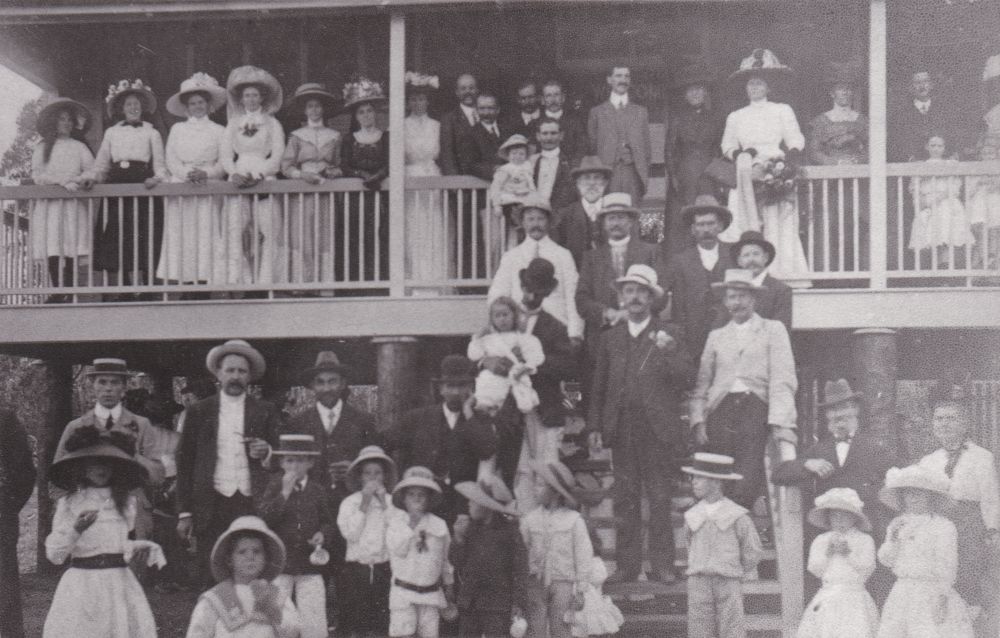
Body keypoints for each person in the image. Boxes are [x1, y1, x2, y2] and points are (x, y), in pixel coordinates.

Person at [588, 263, 692, 583]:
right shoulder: (611, 338)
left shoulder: (669, 333)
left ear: (651, 298)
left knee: (660, 497)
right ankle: (628, 565)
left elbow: (685, 378)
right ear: (621, 297)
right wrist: (595, 425)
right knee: (625, 498)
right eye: (629, 291)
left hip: (657, 429)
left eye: (641, 292)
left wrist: (672, 353)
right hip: (622, 428)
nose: (634, 298)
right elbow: (599, 384)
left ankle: (663, 565)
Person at [772, 379, 902, 602]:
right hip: (827, 532)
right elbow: (779, 473)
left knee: (869, 593)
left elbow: (900, 476)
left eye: (843, 410)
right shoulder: (819, 449)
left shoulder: (873, 447)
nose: (838, 417)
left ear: (856, 410)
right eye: (832, 412)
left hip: (864, 531)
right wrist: (807, 464)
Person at [175, 339, 282, 586]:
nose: (235, 376)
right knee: (211, 568)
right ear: (218, 374)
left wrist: (266, 452)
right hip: (211, 503)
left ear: (250, 376)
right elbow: (185, 462)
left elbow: (281, 458)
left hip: (253, 501)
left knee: (254, 568)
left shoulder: (265, 410)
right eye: (230, 370)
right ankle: (214, 623)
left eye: (241, 371)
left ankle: (254, 622)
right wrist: (184, 512)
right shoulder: (199, 411)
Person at [690, 269, 797, 510]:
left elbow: (783, 377)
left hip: (755, 407)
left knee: (747, 477)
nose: (736, 302)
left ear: (753, 299)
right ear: (725, 301)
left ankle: (740, 530)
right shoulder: (716, 336)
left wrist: (781, 421)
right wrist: (698, 420)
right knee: (719, 474)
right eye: (731, 297)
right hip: (721, 410)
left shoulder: (773, 329)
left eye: (742, 296)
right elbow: (702, 384)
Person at [44, 426, 163, 638]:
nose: (102, 468)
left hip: (118, 584)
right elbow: (54, 555)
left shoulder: (126, 503)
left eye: (108, 462)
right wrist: (75, 530)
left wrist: (135, 549)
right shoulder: (69, 503)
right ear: (81, 466)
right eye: (95, 462)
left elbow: (116, 545)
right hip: (83, 585)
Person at [721, 50, 808, 285]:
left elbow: (795, 139)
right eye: (751, 84)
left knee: (777, 222)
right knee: (747, 223)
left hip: (774, 168)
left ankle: (783, 275)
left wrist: (787, 161)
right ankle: (748, 276)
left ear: (768, 88)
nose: (755, 88)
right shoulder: (736, 116)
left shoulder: (782, 110)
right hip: (746, 170)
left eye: (760, 84)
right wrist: (740, 155)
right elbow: (727, 145)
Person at [917, 384, 1000, 615]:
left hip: (969, 523)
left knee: (968, 573)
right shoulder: (928, 461)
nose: (944, 424)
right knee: (940, 572)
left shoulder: (982, 457)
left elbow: (990, 497)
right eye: (938, 419)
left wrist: (992, 529)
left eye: (951, 418)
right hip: (938, 522)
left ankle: (969, 619)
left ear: (964, 424)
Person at [387, 354, 497, 524]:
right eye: (450, 386)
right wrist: (405, 477)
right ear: (440, 389)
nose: (456, 392)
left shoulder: (480, 420)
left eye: (462, 386)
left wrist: (468, 413)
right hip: (425, 506)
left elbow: (486, 451)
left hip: (464, 510)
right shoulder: (417, 418)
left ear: (472, 387)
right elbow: (384, 444)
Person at [82, 78, 166, 294]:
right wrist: (93, 177)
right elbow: (101, 164)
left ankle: (148, 286)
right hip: (118, 183)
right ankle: (124, 286)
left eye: (137, 103)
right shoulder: (112, 133)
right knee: (119, 235)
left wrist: (156, 179)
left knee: (145, 234)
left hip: (143, 184)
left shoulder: (152, 132)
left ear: (143, 107)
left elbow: (160, 166)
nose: (133, 107)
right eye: (129, 104)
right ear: (121, 108)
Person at [876, 465, 974, 638]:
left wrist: (942, 597)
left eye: (919, 492)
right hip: (902, 591)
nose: (913, 497)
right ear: (902, 496)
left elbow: (948, 565)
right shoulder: (897, 524)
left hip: (930, 592)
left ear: (931, 496)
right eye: (908, 492)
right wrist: (893, 539)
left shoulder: (943, 526)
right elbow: (886, 560)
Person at [257, 434, 334, 638]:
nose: (294, 466)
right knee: (276, 612)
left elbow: (327, 521)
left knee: (314, 614)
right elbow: (265, 518)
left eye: (300, 460)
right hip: (281, 561)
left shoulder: (317, 490)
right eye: (290, 460)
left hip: (309, 561)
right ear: (281, 462)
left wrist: (322, 534)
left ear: (310, 462)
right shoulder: (275, 486)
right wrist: (284, 492)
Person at [157, 73, 228, 292]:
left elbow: (223, 163)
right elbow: (171, 158)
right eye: (192, 103)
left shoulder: (219, 131)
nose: (197, 106)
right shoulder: (178, 130)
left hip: (207, 187)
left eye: (201, 102)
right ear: (186, 107)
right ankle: (185, 284)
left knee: (205, 235)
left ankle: (204, 284)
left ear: (208, 105)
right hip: (181, 186)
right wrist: (187, 173)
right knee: (183, 236)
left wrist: (206, 173)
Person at [681, 453, 763, 638]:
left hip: (728, 581)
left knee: (731, 628)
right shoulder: (693, 515)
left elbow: (752, 550)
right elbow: (690, 546)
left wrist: (733, 569)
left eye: (700, 477)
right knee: (699, 629)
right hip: (698, 582)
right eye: (693, 477)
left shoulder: (736, 516)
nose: (694, 481)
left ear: (717, 482)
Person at [218, 66, 286, 287]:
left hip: (264, 176)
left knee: (270, 229)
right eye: (247, 95)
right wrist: (234, 173)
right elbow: (226, 155)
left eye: (255, 95)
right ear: (241, 99)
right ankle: (239, 281)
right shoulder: (233, 123)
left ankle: (267, 281)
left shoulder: (272, 123)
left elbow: (277, 156)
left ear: (262, 97)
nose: (251, 99)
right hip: (239, 176)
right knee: (234, 228)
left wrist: (260, 174)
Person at [54, 357, 165, 487]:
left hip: (130, 503)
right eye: (102, 382)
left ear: (124, 387)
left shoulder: (141, 425)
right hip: (88, 503)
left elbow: (158, 477)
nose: (108, 388)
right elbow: (56, 477)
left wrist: (132, 455)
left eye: (115, 382)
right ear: (92, 386)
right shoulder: (76, 426)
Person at [286, 350, 381, 500]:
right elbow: (289, 465)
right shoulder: (297, 423)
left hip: (352, 500)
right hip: (311, 502)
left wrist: (354, 469)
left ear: (342, 383)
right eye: (320, 382)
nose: (326, 388)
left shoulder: (363, 420)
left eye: (332, 381)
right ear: (312, 385)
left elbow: (374, 464)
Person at [185, 515, 301, 638]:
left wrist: (273, 610)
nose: (250, 557)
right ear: (229, 560)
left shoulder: (277, 595)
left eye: (257, 551)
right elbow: (197, 633)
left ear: (266, 559)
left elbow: (292, 632)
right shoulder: (215, 598)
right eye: (242, 552)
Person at [488, 194, 584, 341]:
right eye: (530, 219)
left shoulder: (562, 255)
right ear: (523, 223)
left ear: (549, 222)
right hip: (521, 328)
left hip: (556, 326)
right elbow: (498, 293)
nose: (536, 224)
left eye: (541, 219)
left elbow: (572, 295)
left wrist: (575, 332)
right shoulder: (511, 256)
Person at [575, 193, 659, 360]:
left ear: (631, 221)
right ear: (604, 224)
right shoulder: (591, 257)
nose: (616, 223)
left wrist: (635, 313)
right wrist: (609, 313)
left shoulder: (650, 252)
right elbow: (581, 299)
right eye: (611, 218)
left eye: (621, 218)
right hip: (603, 336)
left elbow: (660, 294)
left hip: (642, 332)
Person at [29, 98, 94, 302]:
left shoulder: (79, 147)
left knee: (71, 246)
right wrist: (61, 181)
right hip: (51, 206)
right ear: (53, 123)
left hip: (72, 204)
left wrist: (78, 179)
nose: (66, 123)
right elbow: (38, 175)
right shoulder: (43, 148)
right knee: (53, 247)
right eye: (61, 119)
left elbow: (92, 171)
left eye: (68, 119)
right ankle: (57, 291)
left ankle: (69, 289)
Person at [520, 460, 594, 638]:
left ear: (554, 492)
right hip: (535, 582)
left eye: (539, 485)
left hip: (563, 583)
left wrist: (581, 589)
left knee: (561, 628)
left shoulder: (574, 520)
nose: (535, 489)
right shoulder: (530, 520)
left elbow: (583, 555)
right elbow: (522, 551)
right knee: (535, 629)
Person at [280, 82, 342, 287]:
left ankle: (323, 286)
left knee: (324, 235)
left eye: (317, 106)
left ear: (323, 109)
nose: (314, 110)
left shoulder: (334, 136)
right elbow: (285, 167)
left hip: (325, 191)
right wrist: (302, 175)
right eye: (310, 106)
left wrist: (333, 171)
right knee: (302, 236)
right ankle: (301, 285)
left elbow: (340, 165)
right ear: (304, 110)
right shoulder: (297, 136)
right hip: (303, 192)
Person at [796, 488, 879, 638]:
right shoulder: (822, 540)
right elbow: (815, 569)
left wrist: (848, 554)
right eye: (835, 515)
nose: (839, 520)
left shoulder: (864, 540)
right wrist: (828, 553)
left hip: (855, 597)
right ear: (828, 518)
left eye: (845, 515)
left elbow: (868, 567)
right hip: (828, 595)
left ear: (854, 517)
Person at [660, 195, 735, 360]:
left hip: (729, 334)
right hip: (691, 339)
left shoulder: (733, 255)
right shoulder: (679, 260)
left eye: (711, 223)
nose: (706, 229)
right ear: (693, 229)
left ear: (720, 226)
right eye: (701, 224)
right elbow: (661, 293)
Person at [337, 445, 400, 638]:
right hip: (358, 567)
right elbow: (351, 534)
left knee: (381, 621)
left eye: (378, 473)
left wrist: (383, 503)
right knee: (356, 620)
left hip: (384, 566)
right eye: (367, 473)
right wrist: (364, 504)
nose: (372, 478)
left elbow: (397, 532)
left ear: (385, 476)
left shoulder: (392, 501)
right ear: (359, 477)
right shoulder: (350, 502)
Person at [386, 466, 456, 638]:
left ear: (429, 499)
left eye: (421, 495)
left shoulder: (439, 525)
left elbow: (446, 559)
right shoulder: (396, 524)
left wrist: (449, 585)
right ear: (403, 499)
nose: (416, 499)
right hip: (404, 594)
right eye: (411, 494)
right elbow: (398, 551)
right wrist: (412, 525)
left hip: (431, 595)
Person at [452, 480, 526, 638]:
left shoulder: (510, 532)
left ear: (486, 506)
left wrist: (518, 602)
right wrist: (458, 538)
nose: (469, 504)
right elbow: (457, 562)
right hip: (470, 602)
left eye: (474, 500)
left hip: (497, 605)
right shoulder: (470, 529)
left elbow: (520, 568)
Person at [664, 62, 722, 254]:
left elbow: (719, 148)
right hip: (685, 174)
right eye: (691, 91)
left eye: (699, 89)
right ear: (685, 95)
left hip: (709, 173)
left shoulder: (715, 118)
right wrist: (673, 175)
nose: (695, 94)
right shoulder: (677, 119)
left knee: (709, 213)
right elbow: (670, 150)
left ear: (705, 92)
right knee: (683, 218)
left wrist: (716, 172)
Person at [341, 77, 390, 284]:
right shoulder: (349, 139)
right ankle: (358, 283)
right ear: (356, 116)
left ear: (375, 113)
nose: (366, 115)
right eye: (361, 112)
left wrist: (377, 176)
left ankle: (381, 282)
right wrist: (362, 176)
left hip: (381, 192)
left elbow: (391, 162)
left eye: (369, 111)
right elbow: (345, 165)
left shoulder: (386, 136)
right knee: (358, 235)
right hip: (357, 195)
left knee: (382, 235)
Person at [403, 71, 447, 295]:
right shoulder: (401, 126)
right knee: (414, 230)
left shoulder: (437, 126)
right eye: (413, 98)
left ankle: (434, 284)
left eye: (421, 98)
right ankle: (415, 284)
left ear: (428, 101)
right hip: (410, 179)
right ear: (408, 101)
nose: (418, 103)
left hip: (432, 177)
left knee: (433, 230)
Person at [468, 295, 546, 414]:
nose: (502, 319)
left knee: (512, 412)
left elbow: (535, 356)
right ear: (492, 319)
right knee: (488, 406)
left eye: (505, 315)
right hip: (492, 381)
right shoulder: (488, 339)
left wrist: (527, 367)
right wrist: (477, 338)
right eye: (497, 316)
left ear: (514, 315)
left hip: (514, 378)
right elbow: (474, 354)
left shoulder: (522, 337)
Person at [587, 66, 651, 206]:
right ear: (609, 80)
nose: (623, 80)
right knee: (609, 216)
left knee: (632, 218)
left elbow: (646, 149)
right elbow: (592, 147)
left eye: (627, 76)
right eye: (618, 76)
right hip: (608, 174)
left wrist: (641, 172)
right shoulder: (597, 113)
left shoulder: (641, 112)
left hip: (633, 173)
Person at [908, 133, 973, 268]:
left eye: (940, 146)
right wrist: (923, 201)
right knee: (930, 233)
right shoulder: (921, 165)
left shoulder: (950, 164)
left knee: (946, 231)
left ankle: (945, 265)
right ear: (927, 147)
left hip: (946, 200)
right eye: (933, 145)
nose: (936, 149)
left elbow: (955, 186)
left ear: (944, 148)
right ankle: (935, 268)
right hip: (928, 202)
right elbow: (915, 187)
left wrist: (940, 197)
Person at [0, 410, 35, 638]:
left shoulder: (5, 420)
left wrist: (6, 505)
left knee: (4, 583)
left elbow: (24, 471)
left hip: (1, 516)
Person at [888, 68, 962, 163]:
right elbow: (895, 143)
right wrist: (910, 159)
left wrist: (951, 156)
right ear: (910, 87)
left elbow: (954, 137)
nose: (922, 86)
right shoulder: (901, 115)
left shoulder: (945, 111)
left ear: (931, 85)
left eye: (925, 81)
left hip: (942, 166)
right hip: (912, 169)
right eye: (917, 82)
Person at [551, 156, 612, 267]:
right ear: (578, 183)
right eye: (586, 178)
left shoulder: (614, 212)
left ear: (605, 183)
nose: (592, 183)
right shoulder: (565, 216)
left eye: (597, 178)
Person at [727, 230, 792, 330]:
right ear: (739, 261)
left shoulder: (781, 290)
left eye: (756, 254)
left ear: (765, 258)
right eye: (746, 255)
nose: (751, 259)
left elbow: (781, 330)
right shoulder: (732, 290)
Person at [563, 531, 624, 638]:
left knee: (591, 623)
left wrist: (583, 578)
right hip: (575, 598)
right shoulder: (573, 562)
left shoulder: (595, 561)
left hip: (591, 598)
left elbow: (599, 576)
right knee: (576, 624)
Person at [807, 65, 869, 166]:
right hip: (831, 173)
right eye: (840, 89)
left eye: (848, 89)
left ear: (852, 93)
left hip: (857, 171)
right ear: (832, 93)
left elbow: (872, 149)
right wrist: (836, 162)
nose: (844, 92)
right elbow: (814, 152)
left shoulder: (862, 120)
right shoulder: (820, 121)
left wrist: (857, 161)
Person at [491, 134, 538, 245]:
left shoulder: (527, 168)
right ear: (508, 155)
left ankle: (524, 245)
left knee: (527, 225)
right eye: (514, 153)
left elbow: (531, 185)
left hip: (525, 200)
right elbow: (495, 187)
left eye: (521, 154)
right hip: (511, 201)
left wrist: (535, 197)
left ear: (526, 155)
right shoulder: (506, 170)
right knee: (512, 228)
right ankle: (512, 247)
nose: (517, 156)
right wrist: (496, 205)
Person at [532, 118, 578, 211]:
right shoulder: (531, 162)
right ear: (538, 136)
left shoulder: (571, 163)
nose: (549, 138)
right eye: (545, 133)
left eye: (553, 133)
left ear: (561, 136)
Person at [969, 136, 1000, 270]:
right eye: (985, 153)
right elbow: (969, 190)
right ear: (980, 155)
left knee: (994, 229)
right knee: (980, 230)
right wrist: (979, 182)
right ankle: (983, 258)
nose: (988, 156)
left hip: (994, 201)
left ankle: (993, 257)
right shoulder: (974, 169)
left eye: (991, 153)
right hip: (980, 202)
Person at [439, 73, 479, 177]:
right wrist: (455, 184)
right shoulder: (449, 119)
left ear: (477, 90)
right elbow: (447, 155)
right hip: (462, 181)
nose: (468, 92)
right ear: (457, 92)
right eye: (463, 88)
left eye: (471, 88)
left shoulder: (486, 114)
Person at [460, 92, 506, 180]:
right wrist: (493, 170)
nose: (486, 113)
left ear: (498, 109)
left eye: (490, 108)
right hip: (484, 187)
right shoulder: (470, 134)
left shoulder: (507, 130)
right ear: (476, 110)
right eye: (482, 108)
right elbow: (470, 165)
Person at [541, 80, 587, 166]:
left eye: (556, 95)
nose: (553, 99)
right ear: (543, 100)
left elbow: (582, 148)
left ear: (563, 98)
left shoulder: (575, 122)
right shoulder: (536, 123)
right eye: (548, 96)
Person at [502, 81, 543, 150]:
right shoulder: (510, 121)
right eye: (523, 98)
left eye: (531, 97)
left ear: (538, 97)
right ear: (518, 100)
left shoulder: (547, 116)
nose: (527, 102)